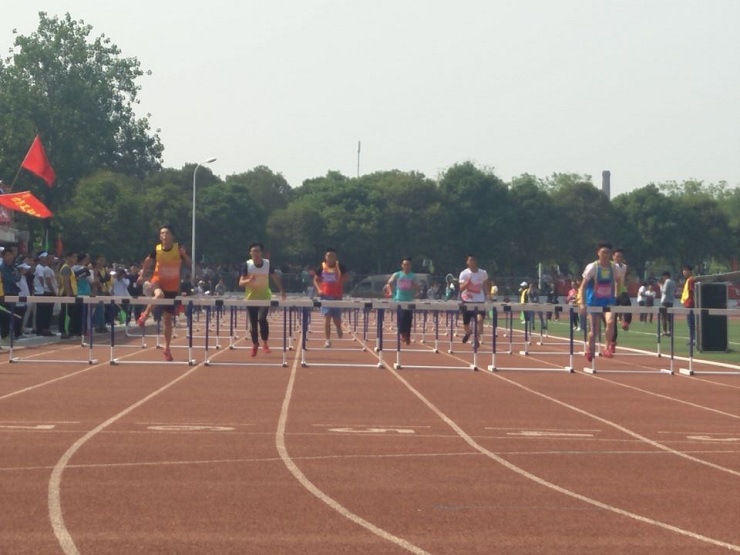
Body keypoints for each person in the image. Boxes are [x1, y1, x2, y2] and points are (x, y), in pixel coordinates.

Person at [137, 225, 191, 362]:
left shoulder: (178, 249)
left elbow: (190, 263)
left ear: (172, 236)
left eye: (166, 233)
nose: (164, 236)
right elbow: (148, 261)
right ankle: (144, 315)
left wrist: (184, 255)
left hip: (172, 287)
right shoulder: (157, 249)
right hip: (157, 281)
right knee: (159, 295)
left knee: (167, 321)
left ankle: (167, 348)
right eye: (162, 233)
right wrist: (142, 274)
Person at [238, 242, 286, 357]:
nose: (256, 253)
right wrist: (249, 280)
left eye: (258, 251)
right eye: (254, 251)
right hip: (251, 298)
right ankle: (255, 344)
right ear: (250, 253)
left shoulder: (267, 264)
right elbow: (241, 283)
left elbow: (275, 278)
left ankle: (265, 343)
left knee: (262, 319)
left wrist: (282, 290)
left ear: (261, 253)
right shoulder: (246, 265)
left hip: (265, 296)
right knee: (253, 324)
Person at [578, 242, 617, 362]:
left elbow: (617, 281)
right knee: (594, 331)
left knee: (610, 322)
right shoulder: (592, 267)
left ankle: (607, 348)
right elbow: (583, 286)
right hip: (594, 301)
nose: (605, 255)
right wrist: (582, 303)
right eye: (603, 252)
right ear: (598, 253)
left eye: (607, 253)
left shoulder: (614, 267)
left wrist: (617, 295)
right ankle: (589, 349)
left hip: (608, 301)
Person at [313, 248, 348, 348]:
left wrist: (340, 282)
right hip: (325, 296)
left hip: (337, 296)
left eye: (332, 256)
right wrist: (319, 290)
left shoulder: (340, 266)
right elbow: (315, 280)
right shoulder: (321, 267)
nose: (330, 258)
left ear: (335, 257)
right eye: (328, 256)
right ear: (325, 257)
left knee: (336, 320)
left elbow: (346, 276)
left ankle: (338, 326)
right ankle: (327, 340)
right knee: (327, 318)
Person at [384, 257, 418, 345]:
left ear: (410, 266)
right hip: (399, 299)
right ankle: (402, 334)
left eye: (408, 264)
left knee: (409, 318)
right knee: (402, 317)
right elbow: (389, 282)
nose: (406, 266)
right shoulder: (397, 274)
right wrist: (391, 292)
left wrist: (416, 293)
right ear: (402, 265)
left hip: (409, 299)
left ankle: (407, 336)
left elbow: (417, 286)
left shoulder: (413, 276)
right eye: (405, 264)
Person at [458, 254, 490, 345]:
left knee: (480, 319)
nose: (471, 262)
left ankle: (476, 339)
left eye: (473, 260)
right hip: (467, 300)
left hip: (479, 300)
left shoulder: (483, 273)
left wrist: (489, 295)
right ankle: (468, 332)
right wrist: (467, 283)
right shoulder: (464, 273)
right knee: (466, 324)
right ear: (467, 262)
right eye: (470, 260)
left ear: (476, 261)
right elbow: (461, 288)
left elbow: (485, 285)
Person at [57, 250, 78, 339]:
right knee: (65, 313)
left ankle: (68, 330)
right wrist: (69, 294)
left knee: (70, 313)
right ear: (68, 258)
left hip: (71, 294)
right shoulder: (66, 268)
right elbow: (66, 282)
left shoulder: (70, 268)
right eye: (74, 257)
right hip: (66, 294)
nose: (75, 259)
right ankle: (64, 331)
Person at [612, 248, 632, 332]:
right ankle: (612, 329)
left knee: (628, 305)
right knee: (613, 312)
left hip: (622, 290)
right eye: (617, 256)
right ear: (613, 257)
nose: (619, 258)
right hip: (612, 291)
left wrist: (627, 282)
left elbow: (626, 276)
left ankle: (626, 323)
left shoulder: (625, 267)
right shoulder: (611, 266)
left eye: (621, 256)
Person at [681, 265, 696, 346]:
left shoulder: (691, 280)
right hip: (688, 304)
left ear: (689, 271)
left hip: (690, 304)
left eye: (685, 270)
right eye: (683, 270)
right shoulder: (688, 280)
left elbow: (693, 291)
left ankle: (694, 339)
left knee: (691, 323)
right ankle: (692, 339)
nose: (683, 272)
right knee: (690, 323)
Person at [659, 271, 677, 336]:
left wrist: (661, 286)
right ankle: (670, 331)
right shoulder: (673, 282)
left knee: (664, 317)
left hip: (665, 300)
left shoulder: (667, 281)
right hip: (671, 300)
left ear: (666, 276)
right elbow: (675, 291)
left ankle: (664, 331)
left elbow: (664, 291)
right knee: (669, 317)